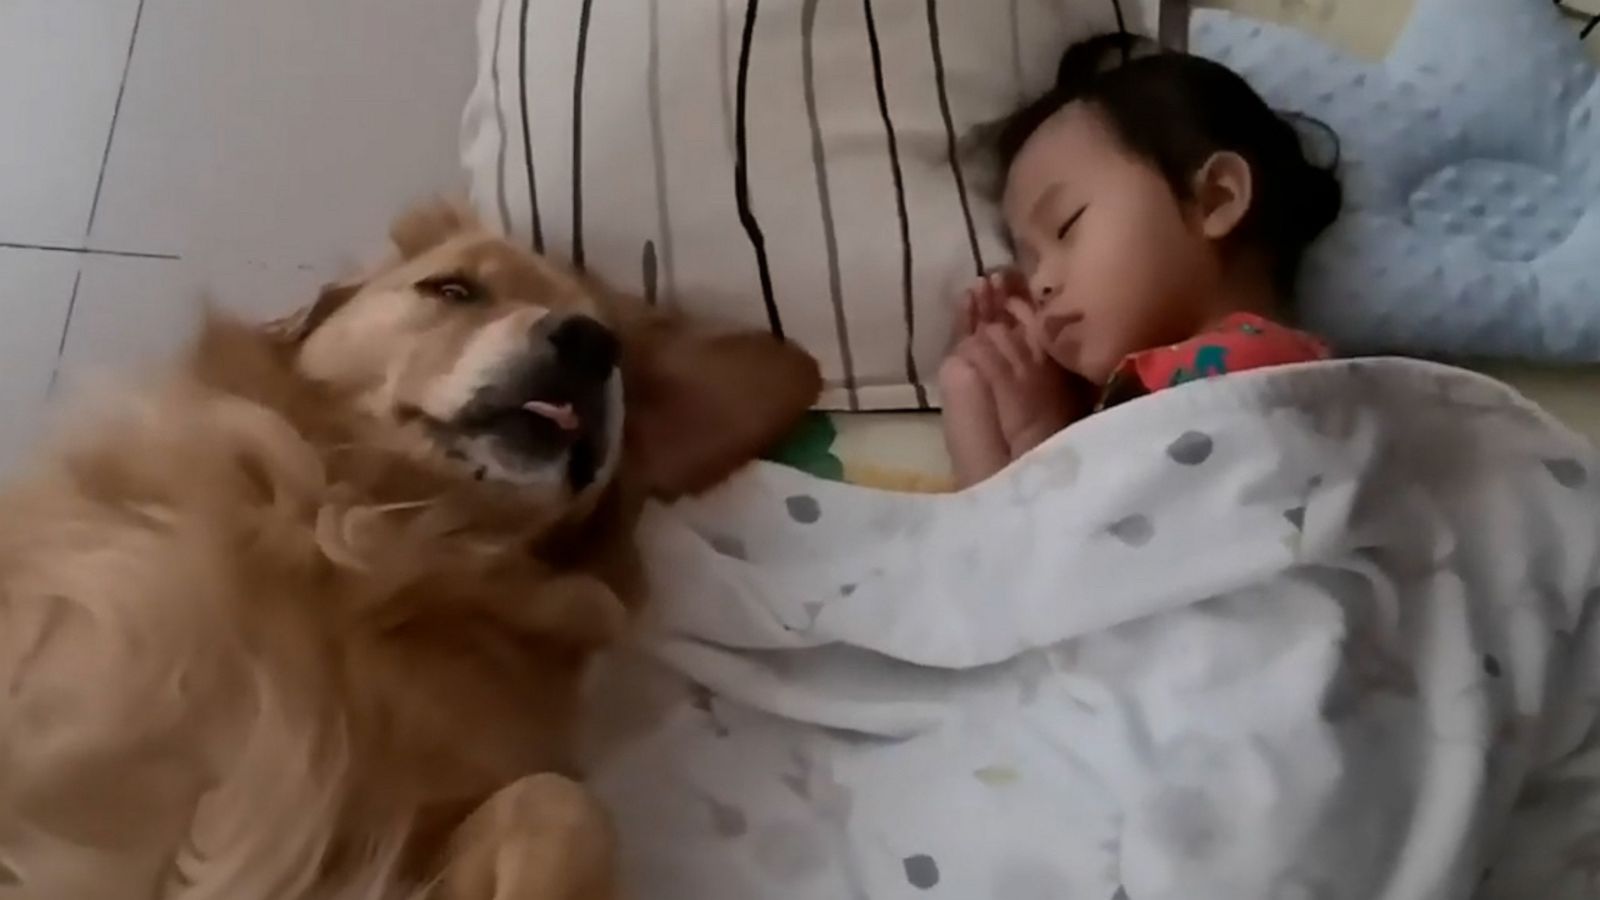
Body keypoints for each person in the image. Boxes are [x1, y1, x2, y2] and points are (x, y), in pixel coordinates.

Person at [939, 33, 1342, 488]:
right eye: (1029, 263)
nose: (1039, 286)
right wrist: (1023, 413)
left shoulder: (1256, 372)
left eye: (1066, 226)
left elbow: (1072, 542)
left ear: (1215, 198)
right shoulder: (1133, 404)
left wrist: (1021, 436)